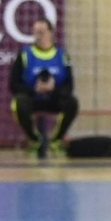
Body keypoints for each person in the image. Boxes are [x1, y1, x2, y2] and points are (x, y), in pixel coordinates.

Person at [10, 17, 79, 158]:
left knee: (72, 102)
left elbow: (70, 84)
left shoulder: (62, 55)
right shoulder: (24, 55)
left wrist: (53, 89)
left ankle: (56, 139)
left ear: (51, 33)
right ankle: (35, 140)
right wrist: (35, 89)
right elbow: (13, 84)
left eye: (41, 32)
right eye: (35, 32)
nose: (38, 36)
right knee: (19, 102)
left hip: (54, 98)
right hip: (33, 98)